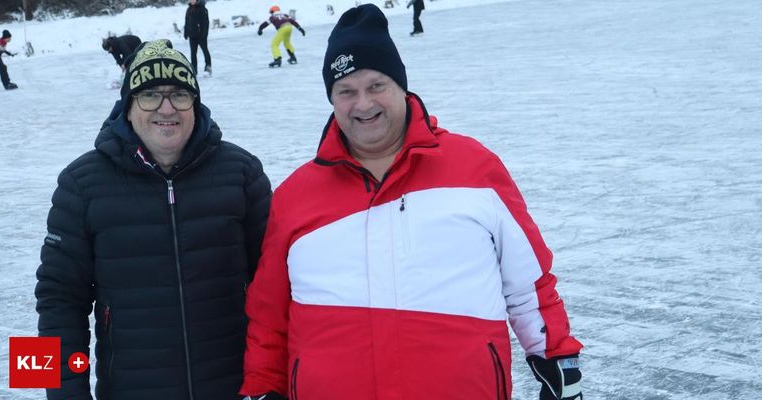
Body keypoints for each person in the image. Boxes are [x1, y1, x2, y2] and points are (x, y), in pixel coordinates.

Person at [240, 5, 584, 400]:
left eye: (376, 86)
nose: (363, 104)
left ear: (401, 86)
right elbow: (269, 317)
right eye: (346, 91)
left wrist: (557, 360)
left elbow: (529, 285)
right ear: (331, 99)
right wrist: (263, 388)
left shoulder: (475, 169)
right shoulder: (296, 196)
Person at [36, 39, 271, 400]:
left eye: (179, 94)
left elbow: (276, 289)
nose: (167, 108)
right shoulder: (81, 184)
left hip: (234, 388)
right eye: (149, 95)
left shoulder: (241, 173)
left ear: (195, 103)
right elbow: (56, 300)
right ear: (128, 106)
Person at [184, 0, 212, 75]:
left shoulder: (202, 9)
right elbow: (187, 22)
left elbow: (206, 23)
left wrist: (204, 34)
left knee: (205, 51)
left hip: (201, 35)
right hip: (192, 36)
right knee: (193, 54)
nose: (191, 1)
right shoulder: (189, 9)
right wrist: (186, 32)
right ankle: (194, 70)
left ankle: (208, 67)